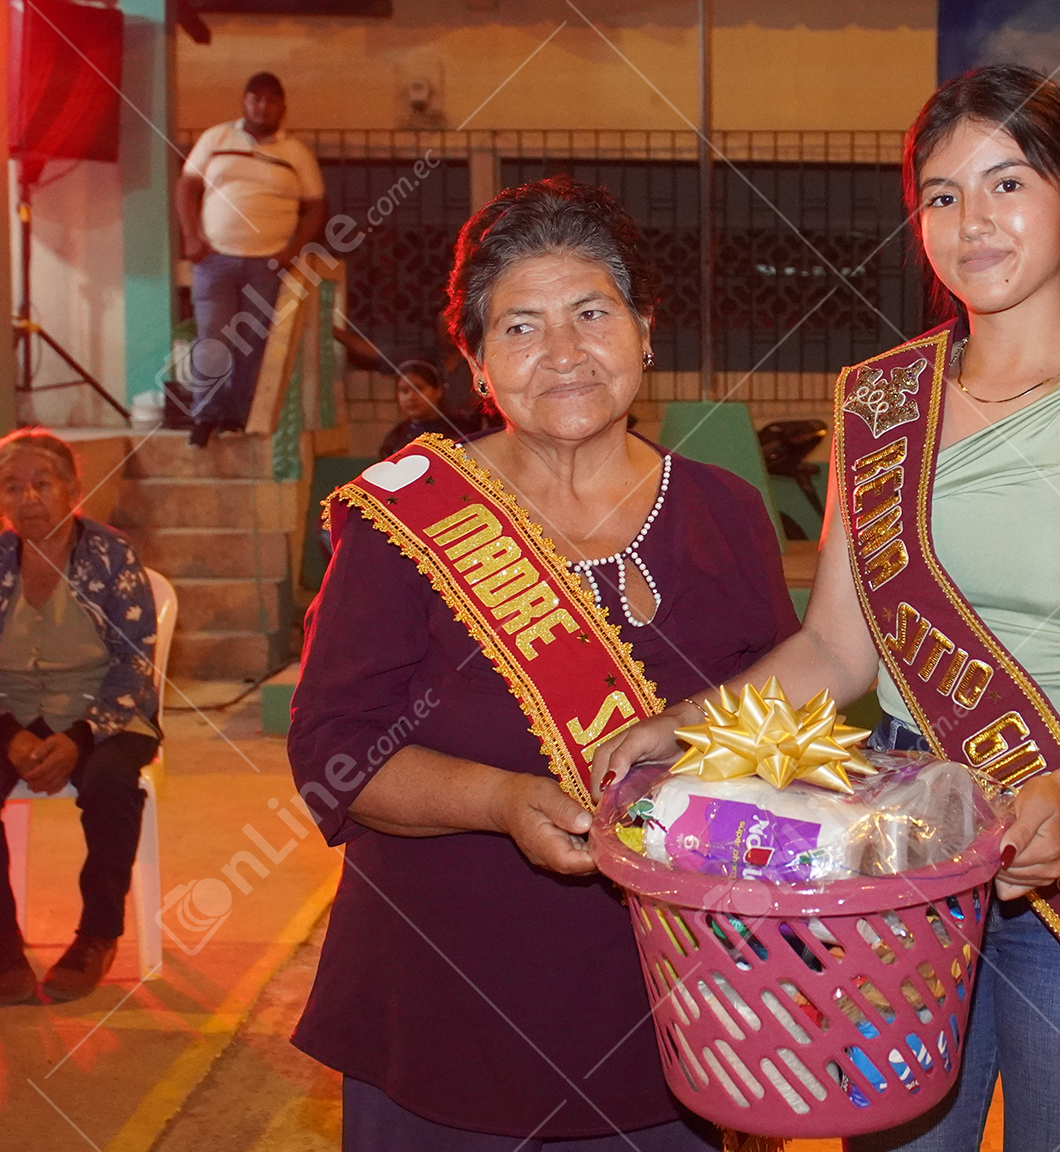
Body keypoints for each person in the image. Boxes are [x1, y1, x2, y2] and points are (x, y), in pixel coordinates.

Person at [602, 66, 1060, 1152]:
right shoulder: (880, 404)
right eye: (942, 196)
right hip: (902, 844)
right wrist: (686, 726)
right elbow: (834, 649)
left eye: (1008, 184)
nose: (973, 223)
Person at [288, 176, 794, 1148]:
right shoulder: (404, 515)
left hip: (674, 1020)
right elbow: (332, 755)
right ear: (478, 364)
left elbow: (780, 731)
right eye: (520, 327)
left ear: (644, 333)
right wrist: (498, 802)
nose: (563, 352)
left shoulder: (727, 512)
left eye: (591, 313)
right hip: (441, 1017)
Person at [0, 430, 161, 1003]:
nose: (29, 498)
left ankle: (96, 936)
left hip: (104, 714)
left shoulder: (111, 556)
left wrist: (80, 737)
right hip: (8, 715)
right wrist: (7, 734)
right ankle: (0, 938)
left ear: (72, 490)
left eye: (43, 483)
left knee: (112, 783)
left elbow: (134, 664)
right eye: (12, 487)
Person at [178, 71, 327, 447]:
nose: (263, 107)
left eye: (271, 100)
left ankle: (238, 415)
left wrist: (294, 250)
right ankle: (205, 415)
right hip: (215, 260)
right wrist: (191, 237)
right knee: (213, 336)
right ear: (244, 102)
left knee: (252, 341)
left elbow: (316, 206)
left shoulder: (296, 153)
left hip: (268, 263)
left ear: (282, 107)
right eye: (256, 99)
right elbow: (187, 186)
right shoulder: (216, 138)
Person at [375, 359, 494, 458]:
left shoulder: (461, 431)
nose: (410, 397)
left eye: (419, 388)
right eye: (404, 390)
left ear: (438, 391)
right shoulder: (395, 437)